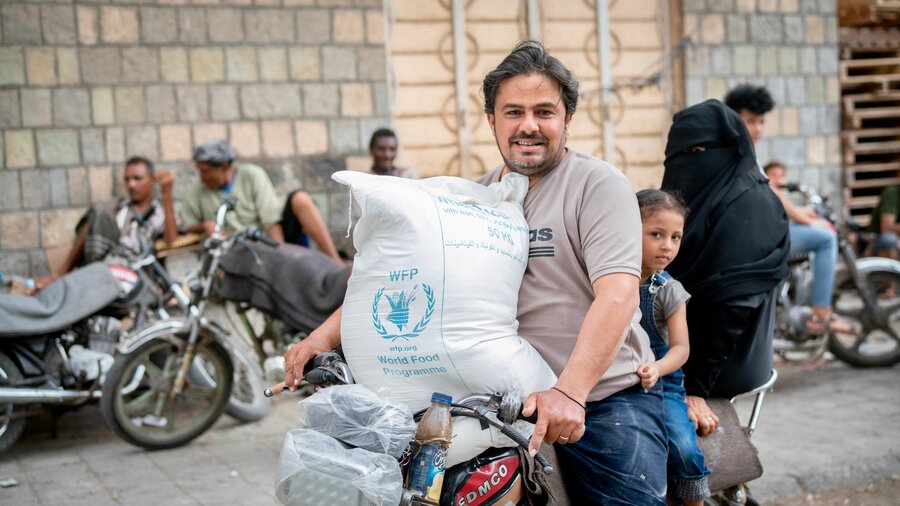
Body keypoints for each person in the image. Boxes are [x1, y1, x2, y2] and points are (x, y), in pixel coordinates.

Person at [285, 40, 667, 504]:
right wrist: (319, 340)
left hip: (600, 399)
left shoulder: (598, 185)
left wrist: (571, 392)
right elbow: (397, 281)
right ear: (492, 121)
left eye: (544, 111)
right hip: (495, 402)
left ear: (568, 118)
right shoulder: (478, 196)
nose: (529, 125)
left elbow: (619, 296)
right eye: (513, 112)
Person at [661, 99, 790, 437]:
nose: (686, 164)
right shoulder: (714, 197)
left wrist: (695, 388)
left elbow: (730, 307)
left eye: (700, 150)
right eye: (679, 153)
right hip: (686, 350)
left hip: (728, 362)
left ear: (731, 150)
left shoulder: (751, 206)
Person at [634, 189, 711, 506]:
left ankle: (695, 499)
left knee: (682, 445)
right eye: (656, 234)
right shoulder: (607, 280)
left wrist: (657, 368)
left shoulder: (668, 290)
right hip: (615, 383)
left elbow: (681, 349)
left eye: (675, 237)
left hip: (662, 384)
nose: (667, 246)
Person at [181, 139, 343, 265]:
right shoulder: (198, 191)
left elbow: (270, 221)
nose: (202, 177)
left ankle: (337, 264)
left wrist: (280, 258)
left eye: (206, 172)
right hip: (238, 254)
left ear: (223, 167)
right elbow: (187, 226)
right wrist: (205, 225)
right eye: (200, 172)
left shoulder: (252, 175)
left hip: (271, 243)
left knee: (301, 199)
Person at [34, 156, 178, 290]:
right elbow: (92, 228)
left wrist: (167, 195)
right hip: (107, 262)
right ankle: (66, 275)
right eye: (127, 179)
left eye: (137, 178)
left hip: (138, 270)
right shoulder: (117, 207)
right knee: (96, 216)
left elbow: (171, 240)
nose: (131, 184)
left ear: (152, 180)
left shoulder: (160, 211)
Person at [764, 161, 856, 334]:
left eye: (781, 175)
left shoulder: (778, 195)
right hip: (770, 238)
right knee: (826, 239)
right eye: (773, 174)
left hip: (773, 234)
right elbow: (792, 212)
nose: (777, 179)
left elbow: (793, 210)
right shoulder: (767, 187)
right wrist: (813, 221)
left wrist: (809, 212)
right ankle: (820, 313)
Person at [868, 185, 900, 259]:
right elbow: (887, 228)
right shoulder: (892, 193)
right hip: (877, 238)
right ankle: (887, 269)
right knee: (889, 239)